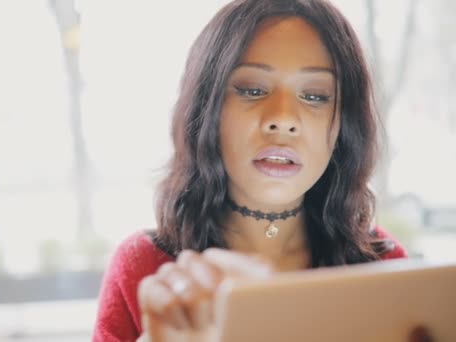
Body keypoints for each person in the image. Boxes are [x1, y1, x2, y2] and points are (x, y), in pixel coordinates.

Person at [93, 0, 407, 341]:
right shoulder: (146, 268)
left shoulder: (385, 264)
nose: (283, 120)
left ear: (343, 127)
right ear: (208, 109)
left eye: (315, 96)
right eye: (253, 90)